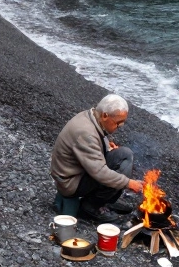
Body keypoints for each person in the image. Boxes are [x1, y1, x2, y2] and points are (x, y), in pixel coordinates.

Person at [50, 94, 144, 224]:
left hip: (78, 171)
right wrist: (129, 183)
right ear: (105, 115)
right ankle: (91, 206)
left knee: (124, 154)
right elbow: (100, 172)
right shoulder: (86, 133)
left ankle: (106, 201)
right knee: (120, 169)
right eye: (118, 123)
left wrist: (106, 146)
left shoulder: (91, 115)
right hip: (70, 182)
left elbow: (96, 139)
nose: (120, 127)